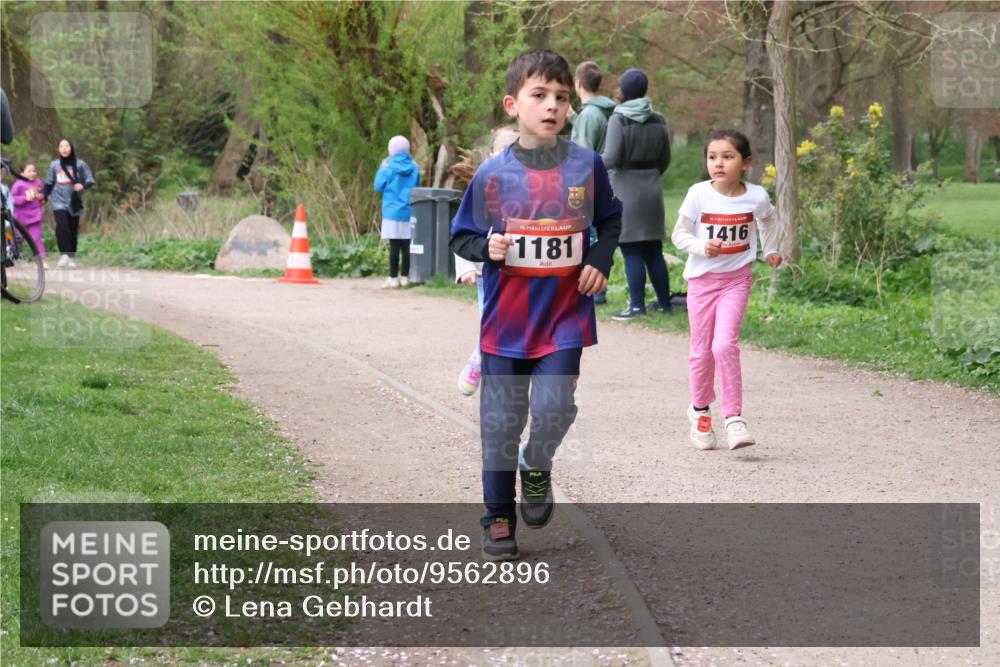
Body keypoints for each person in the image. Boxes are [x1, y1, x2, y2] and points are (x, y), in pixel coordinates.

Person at [450, 49, 622, 561]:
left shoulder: (586, 166)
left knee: (554, 407)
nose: (552, 106)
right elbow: (462, 237)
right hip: (505, 321)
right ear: (512, 104)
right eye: (539, 95)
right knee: (501, 420)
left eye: (562, 97)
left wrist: (598, 258)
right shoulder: (492, 175)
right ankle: (498, 517)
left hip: (564, 315)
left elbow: (611, 220)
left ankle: (538, 461)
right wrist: (489, 248)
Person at [671, 129, 781, 451]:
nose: (718, 163)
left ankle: (734, 419)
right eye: (712, 157)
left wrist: (771, 250)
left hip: (736, 281)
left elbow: (768, 220)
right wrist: (703, 246)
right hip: (702, 283)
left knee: (724, 346)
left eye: (727, 157)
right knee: (702, 351)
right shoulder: (698, 194)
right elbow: (679, 236)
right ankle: (700, 411)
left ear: (745, 163)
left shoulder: (756, 196)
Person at [602, 68, 673, 320]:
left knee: (630, 248)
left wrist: (591, 163)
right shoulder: (659, 119)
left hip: (626, 188)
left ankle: (636, 306)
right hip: (652, 187)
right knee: (653, 249)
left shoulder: (618, 119)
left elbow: (610, 158)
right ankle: (664, 303)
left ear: (624, 90)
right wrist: (651, 175)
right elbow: (666, 158)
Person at [457, 125, 520, 397]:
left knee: (514, 324)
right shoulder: (483, 187)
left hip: (521, 273)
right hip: (488, 274)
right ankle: (480, 359)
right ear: (491, 155)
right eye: (503, 152)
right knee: (491, 321)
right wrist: (467, 268)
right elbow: (463, 232)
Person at [570, 61, 616, 305]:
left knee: (591, 234)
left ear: (578, 84)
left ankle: (595, 291)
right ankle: (596, 288)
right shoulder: (602, 111)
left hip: (586, 183)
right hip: (601, 180)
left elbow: (583, 153)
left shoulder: (589, 115)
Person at [374, 135, 420, 288]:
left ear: (391, 149)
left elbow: (378, 186)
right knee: (407, 245)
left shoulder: (387, 166)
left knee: (394, 245)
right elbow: (417, 186)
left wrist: (383, 168)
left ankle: (393, 278)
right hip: (409, 211)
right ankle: (405, 277)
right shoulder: (414, 166)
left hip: (392, 212)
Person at [43, 139, 95, 268]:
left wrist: (81, 185)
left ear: (71, 148)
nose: (64, 148)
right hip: (58, 201)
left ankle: (71, 257)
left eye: (67, 146)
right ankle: (63, 255)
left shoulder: (80, 164)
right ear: (58, 149)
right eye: (61, 146)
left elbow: (90, 180)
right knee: (62, 226)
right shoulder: (54, 165)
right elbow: (48, 184)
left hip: (74, 202)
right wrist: (43, 197)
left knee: (73, 229)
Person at [9, 163, 47, 267]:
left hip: (35, 216)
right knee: (17, 239)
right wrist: (24, 199)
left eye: (34, 171)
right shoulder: (19, 184)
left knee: (36, 239)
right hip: (21, 217)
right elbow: (12, 199)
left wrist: (42, 197)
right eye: (29, 171)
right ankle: (11, 256)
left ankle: (42, 261)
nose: (32, 173)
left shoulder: (38, 182)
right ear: (22, 173)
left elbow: (43, 195)